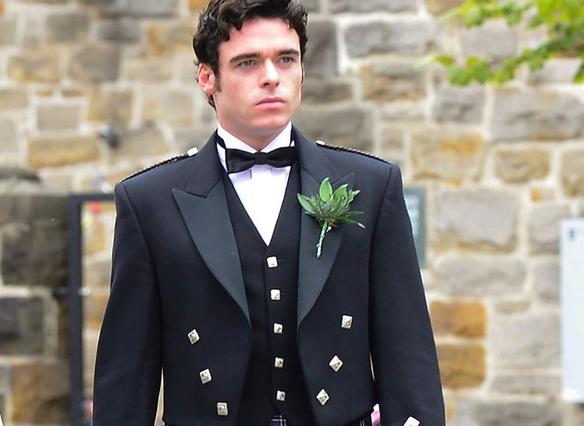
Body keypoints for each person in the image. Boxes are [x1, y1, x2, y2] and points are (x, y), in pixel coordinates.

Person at [92, 0, 445, 425]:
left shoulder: (370, 186)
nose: (272, 77)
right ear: (207, 78)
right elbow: (127, 376)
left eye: (286, 59)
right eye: (248, 63)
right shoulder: (150, 202)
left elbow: (407, 352)